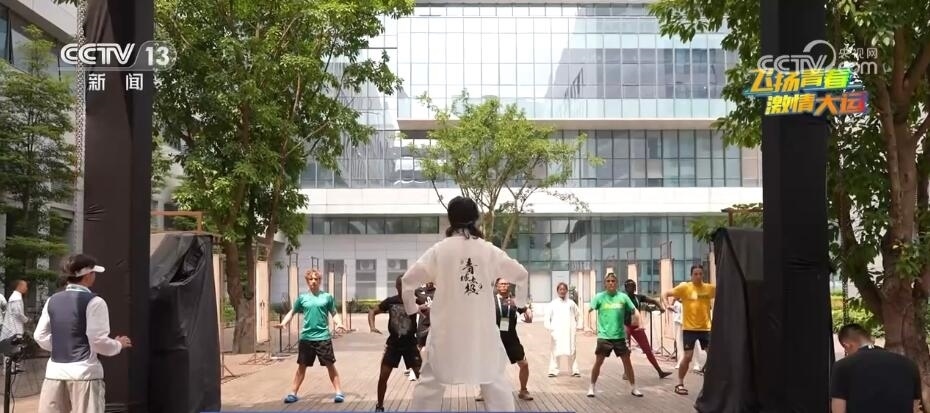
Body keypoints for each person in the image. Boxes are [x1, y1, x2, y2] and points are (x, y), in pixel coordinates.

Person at [401, 196, 529, 412]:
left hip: (446, 331)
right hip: (482, 330)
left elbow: (407, 281)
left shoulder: (439, 250)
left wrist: (412, 310)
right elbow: (521, 274)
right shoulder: (488, 250)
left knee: (430, 384)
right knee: (495, 381)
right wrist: (522, 304)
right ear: (475, 218)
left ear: (450, 219)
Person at [34, 254, 132, 413]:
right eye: (93, 273)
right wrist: (118, 344)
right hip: (84, 373)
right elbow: (97, 340)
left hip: (54, 373)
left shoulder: (52, 300)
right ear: (87, 276)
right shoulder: (95, 302)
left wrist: (64, 345)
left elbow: (39, 336)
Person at [275, 269, 347, 404]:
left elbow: (334, 313)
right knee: (301, 367)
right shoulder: (302, 298)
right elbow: (292, 312)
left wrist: (339, 323)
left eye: (316, 279)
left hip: (323, 338)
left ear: (320, 281)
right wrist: (284, 323)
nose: (313, 281)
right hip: (306, 339)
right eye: (311, 279)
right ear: (307, 281)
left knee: (330, 365)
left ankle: (339, 393)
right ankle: (293, 393)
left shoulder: (327, 297)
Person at [831, 323, 921, 413]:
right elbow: (915, 407)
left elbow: (838, 410)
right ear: (871, 340)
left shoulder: (842, 366)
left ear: (847, 345)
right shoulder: (909, 364)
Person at [369, 277, 423, 412]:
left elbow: (430, 308)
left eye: (405, 285)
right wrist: (372, 326)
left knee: (422, 377)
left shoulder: (414, 301)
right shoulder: (391, 301)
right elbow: (372, 311)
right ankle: (379, 406)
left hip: (410, 344)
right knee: (383, 376)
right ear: (396, 286)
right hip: (393, 345)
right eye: (400, 285)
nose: (403, 288)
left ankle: (426, 406)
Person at [587, 272, 643, 398]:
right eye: (608, 281)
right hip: (604, 337)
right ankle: (591, 387)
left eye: (613, 281)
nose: (611, 283)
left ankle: (634, 388)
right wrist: (587, 326)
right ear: (605, 284)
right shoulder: (599, 297)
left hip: (619, 337)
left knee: (627, 362)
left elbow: (634, 310)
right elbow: (589, 310)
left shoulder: (623, 297)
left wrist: (639, 321)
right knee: (598, 362)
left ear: (616, 283)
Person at [663, 264, 715, 396]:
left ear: (703, 275)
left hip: (706, 329)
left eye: (700, 274)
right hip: (689, 329)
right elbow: (665, 293)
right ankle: (679, 384)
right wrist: (667, 305)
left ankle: (710, 382)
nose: (698, 276)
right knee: (687, 357)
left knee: (713, 356)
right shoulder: (685, 288)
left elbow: (726, 292)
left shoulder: (709, 288)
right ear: (691, 275)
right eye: (695, 274)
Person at [477, 277, 533, 401]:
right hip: (493, 339)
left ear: (509, 286)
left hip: (511, 338)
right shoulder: (490, 301)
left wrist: (529, 314)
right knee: (486, 365)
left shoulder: (514, 301)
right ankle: (483, 391)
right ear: (497, 286)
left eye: (506, 284)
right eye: (501, 284)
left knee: (524, 364)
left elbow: (526, 310)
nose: (504, 286)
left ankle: (523, 391)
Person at [622, 280, 672, 379]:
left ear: (635, 288)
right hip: (626, 326)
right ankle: (626, 372)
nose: (631, 288)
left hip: (636, 327)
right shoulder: (622, 298)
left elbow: (654, 301)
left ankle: (660, 372)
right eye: (629, 286)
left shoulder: (638, 297)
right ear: (626, 288)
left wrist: (660, 307)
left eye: (633, 286)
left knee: (648, 350)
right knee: (627, 350)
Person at [545, 282, 580, 377]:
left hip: (569, 331)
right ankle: (553, 370)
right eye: (560, 289)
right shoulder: (553, 304)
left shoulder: (571, 303)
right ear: (557, 291)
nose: (562, 291)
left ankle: (574, 370)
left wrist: (576, 326)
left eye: (564, 289)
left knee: (572, 350)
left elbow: (578, 315)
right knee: (555, 351)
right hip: (557, 331)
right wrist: (550, 328)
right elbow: (547, 317)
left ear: (567, 291)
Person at [409, 281, 435, 381]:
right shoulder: (418, 291)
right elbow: (409, 301)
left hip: (435, 323)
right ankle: (414, 369)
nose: (430, 282)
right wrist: (418, 307)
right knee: (420, 346)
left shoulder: (439, 291)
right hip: (423, 323)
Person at [671, 298, 705, 372]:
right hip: (679, 317)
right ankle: (680, 361)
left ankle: (697, 363)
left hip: (691, 317)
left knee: (695, 341)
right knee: (679, 341)